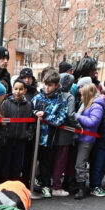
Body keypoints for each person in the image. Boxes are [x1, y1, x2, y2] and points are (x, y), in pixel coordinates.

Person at [32, 70, 67, 198]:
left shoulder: (61, 101)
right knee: (32, 162)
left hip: (48, 138)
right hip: (33, 136)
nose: (47, 87)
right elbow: (31, 111)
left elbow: (60, 119)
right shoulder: (37, 97)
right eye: (45, 84)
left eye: (50, 85)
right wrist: (35, 114)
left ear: (56, 85)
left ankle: (46, 185)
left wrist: (46, 115)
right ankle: (33, 183)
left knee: (46, 164)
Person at [51, 73, 80, 197]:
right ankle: (56, 186)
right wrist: (78, 127)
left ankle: (50, 183)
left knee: (51, 160)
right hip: (64, 134)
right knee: (60, 161)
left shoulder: (53, 94)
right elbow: (70, 115)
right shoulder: (69, 97)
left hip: (51, 133)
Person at [0, 78, 34, 184]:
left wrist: (28, 135)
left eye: (20, 89)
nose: (18, 92)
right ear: (12, 89)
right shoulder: (6, 103)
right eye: (15, 89)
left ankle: (15, 187)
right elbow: (2, 121)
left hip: (21, 140)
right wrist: (4, 135)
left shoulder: (29, 105)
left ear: (25, 91)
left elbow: (31, 123)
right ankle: (5, 185)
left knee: (17, 165)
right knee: (6, 164)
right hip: (8, 140)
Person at [74, 83, 104, 199]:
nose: (81, 97)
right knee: (80, 164)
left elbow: (93, 122)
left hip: (87, 139)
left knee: (80, 164)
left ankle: (81, 189)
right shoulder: (87, 104)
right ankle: (79, 186)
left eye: (83, 95)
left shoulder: (96, 106)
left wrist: (78, 117)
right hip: (82, 138)